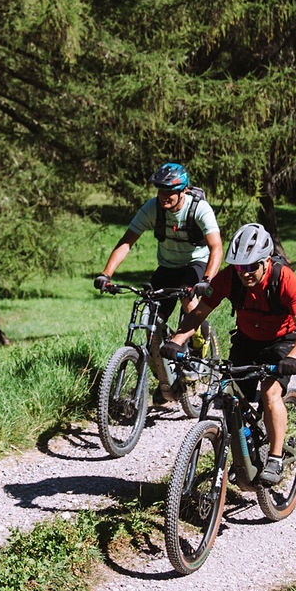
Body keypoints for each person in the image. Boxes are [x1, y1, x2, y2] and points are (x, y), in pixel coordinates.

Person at [170, 222, 296, 485]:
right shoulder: (228, 278)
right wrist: (178, 340)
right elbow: (200, 313)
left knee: (271, 393)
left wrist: (293, 357)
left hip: (282, 341)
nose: (245, 273)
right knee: (230, 398)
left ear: (266, 261)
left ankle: (275, 456)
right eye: (239, 267)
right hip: (247, 339)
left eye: (251, 267)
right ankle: (244, 454)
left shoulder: (285, 278)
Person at [95, 162, 224, 412]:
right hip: (167, 268)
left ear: (183, 191)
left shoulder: (199, 209)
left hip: (195, 265)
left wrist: (206, 280)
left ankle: (198, 348)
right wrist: (106, 273)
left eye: (169, 191)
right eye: (160, 190)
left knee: (189, 301)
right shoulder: (153, 208)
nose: (163, 195)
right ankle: (166, 379)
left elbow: (216, 247)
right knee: (148, 318)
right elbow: (127, 241)